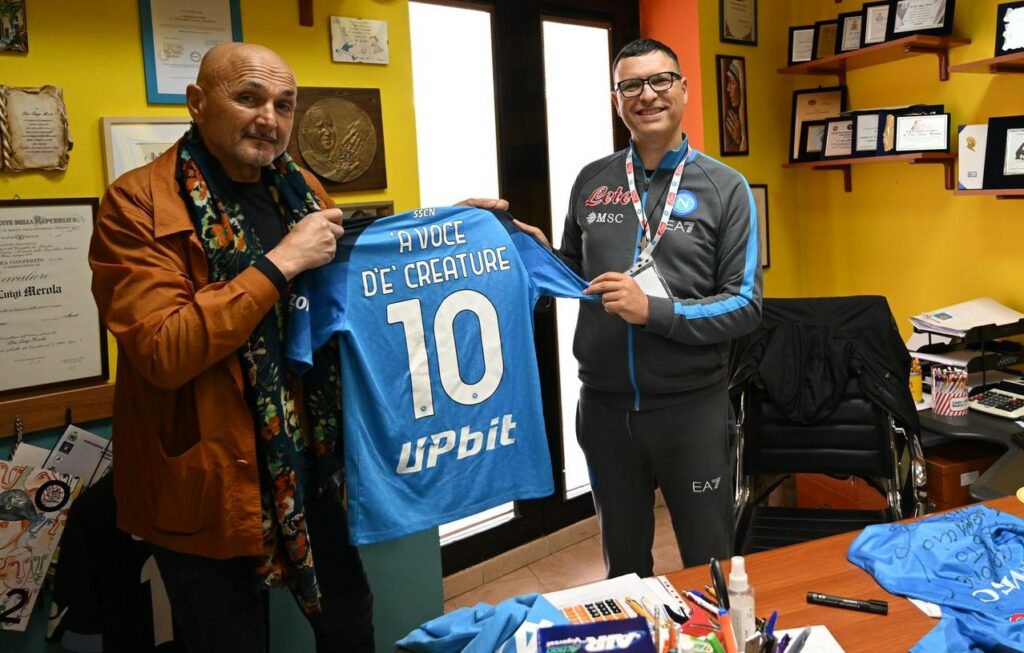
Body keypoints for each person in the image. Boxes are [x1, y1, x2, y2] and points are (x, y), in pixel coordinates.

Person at [89, 42, 506, 652]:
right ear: (197, 103)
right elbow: (163, 349)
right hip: (205, 485)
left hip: (308, 465)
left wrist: (448, 230)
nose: (269, 119)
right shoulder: (137, 203)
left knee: (349, 620)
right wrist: (280, 263)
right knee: (229, 642)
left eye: (284, 105)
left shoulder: (300, 187)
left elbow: (357, 274)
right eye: (249, 98)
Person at [515, 38, 761, 577]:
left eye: (660, 80)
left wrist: (654, 311)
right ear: (616, 99)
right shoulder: (592, 181)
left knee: (711, 567)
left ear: (684, 89)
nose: (647, 95)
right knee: (623, 571)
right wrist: (531, 255)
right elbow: (575, 274)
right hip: (604, 411)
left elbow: (745, 305)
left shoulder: (726, 188)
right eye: (631, 85)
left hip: (691, 412)